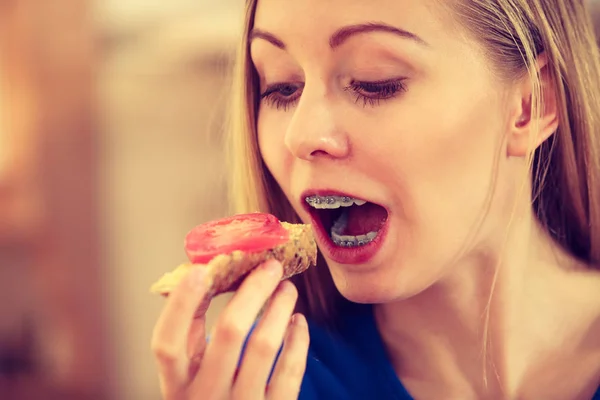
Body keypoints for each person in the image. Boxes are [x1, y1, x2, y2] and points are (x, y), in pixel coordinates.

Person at [151, 0, 600, 398]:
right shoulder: (255, 384)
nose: (301, 135)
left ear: (530, 106)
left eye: (374, 81)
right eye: (282, 87)